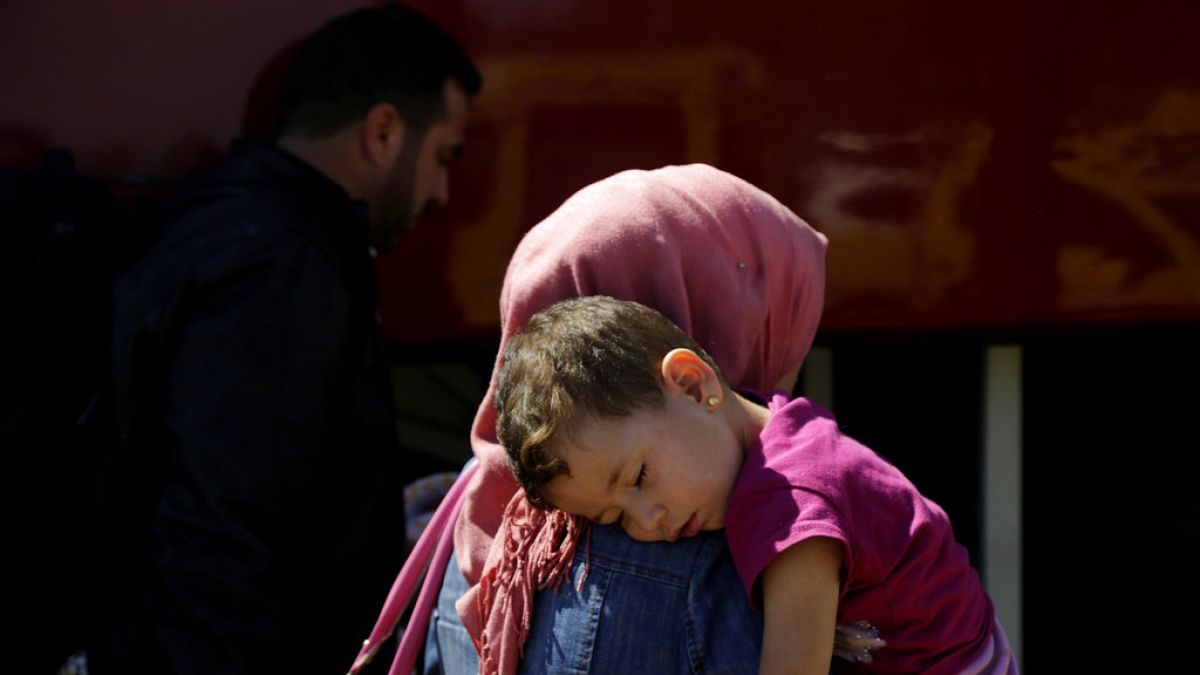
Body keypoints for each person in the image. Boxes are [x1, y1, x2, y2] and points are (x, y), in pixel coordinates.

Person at [100, 4, 480, 674]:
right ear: (384, 132)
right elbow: (221, 538)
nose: (444, 191)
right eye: (444, 155)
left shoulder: (234, 228)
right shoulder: (282, 267)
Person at [427, 164, 883, 675]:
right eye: (782, 309)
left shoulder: (482, 529)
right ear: (690, 377)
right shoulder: (758, 535)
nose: (646, 525)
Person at [497, 295, 1019, 675]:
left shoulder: (789, 505)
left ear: (692, 383)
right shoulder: (775, 425)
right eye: (613, 519)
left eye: (639, 477)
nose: (646, 522)